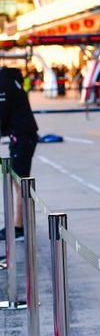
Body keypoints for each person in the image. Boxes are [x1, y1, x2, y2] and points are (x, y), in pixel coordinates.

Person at [0, 67, 39, 242]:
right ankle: (19, 224)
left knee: (20, 182)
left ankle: (19, 228)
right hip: (22, 135)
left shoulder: (3, 83)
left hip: (23, 137)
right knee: (17, 181)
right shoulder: (8, 79)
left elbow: (2, 113)